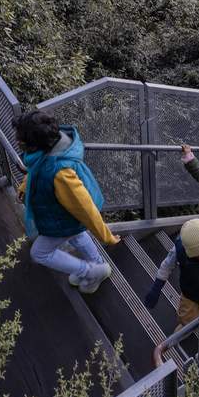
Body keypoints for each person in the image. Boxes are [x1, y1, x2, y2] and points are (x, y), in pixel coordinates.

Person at [15, 109, 119, 293]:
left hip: (60, 218)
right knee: (77, 235)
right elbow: (37, 170)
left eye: (22, 140)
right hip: (63, 215)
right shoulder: (52, 148)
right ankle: (97, 264)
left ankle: (91, 271)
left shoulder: (60, 172)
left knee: (39, 253)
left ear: (35, 143)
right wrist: (25, 187)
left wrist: (106, 236)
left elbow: (85, 209)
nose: (18, 142)